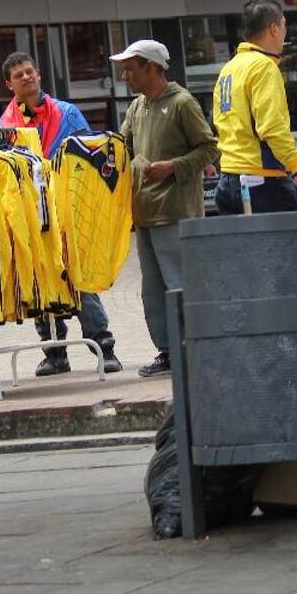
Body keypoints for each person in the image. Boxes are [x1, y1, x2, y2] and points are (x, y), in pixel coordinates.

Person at [0, 51, 121, 376]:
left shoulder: (67, 114)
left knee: (77, 279)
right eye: (18, 74)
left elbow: (89, 158)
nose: (26, 77)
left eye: (29, 71)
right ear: (9, 84)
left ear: (38, 73)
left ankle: (103, 346)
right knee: (39, 281)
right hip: (31, 215)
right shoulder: (5, 126)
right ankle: (54, 352)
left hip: (66, 210)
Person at [113, 40, 218, 378]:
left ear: (151, 67)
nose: (125, 74)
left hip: (175, 211)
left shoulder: (182, 103)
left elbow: (209, 148)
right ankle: (168, 351)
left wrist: (173, 166)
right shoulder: (137, 107)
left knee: (180, 284)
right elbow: (120, 146)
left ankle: (194, 348)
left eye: (130, 67)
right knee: (153, 290)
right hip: (144, 212)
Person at [213, 0, 297, 216]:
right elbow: (272, 128)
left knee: (244, 249)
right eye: (284, 25)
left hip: (228, 177)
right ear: (273, 28)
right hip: (262, 178)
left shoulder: (230, 68)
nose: (284, 32)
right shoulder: (263, 67)